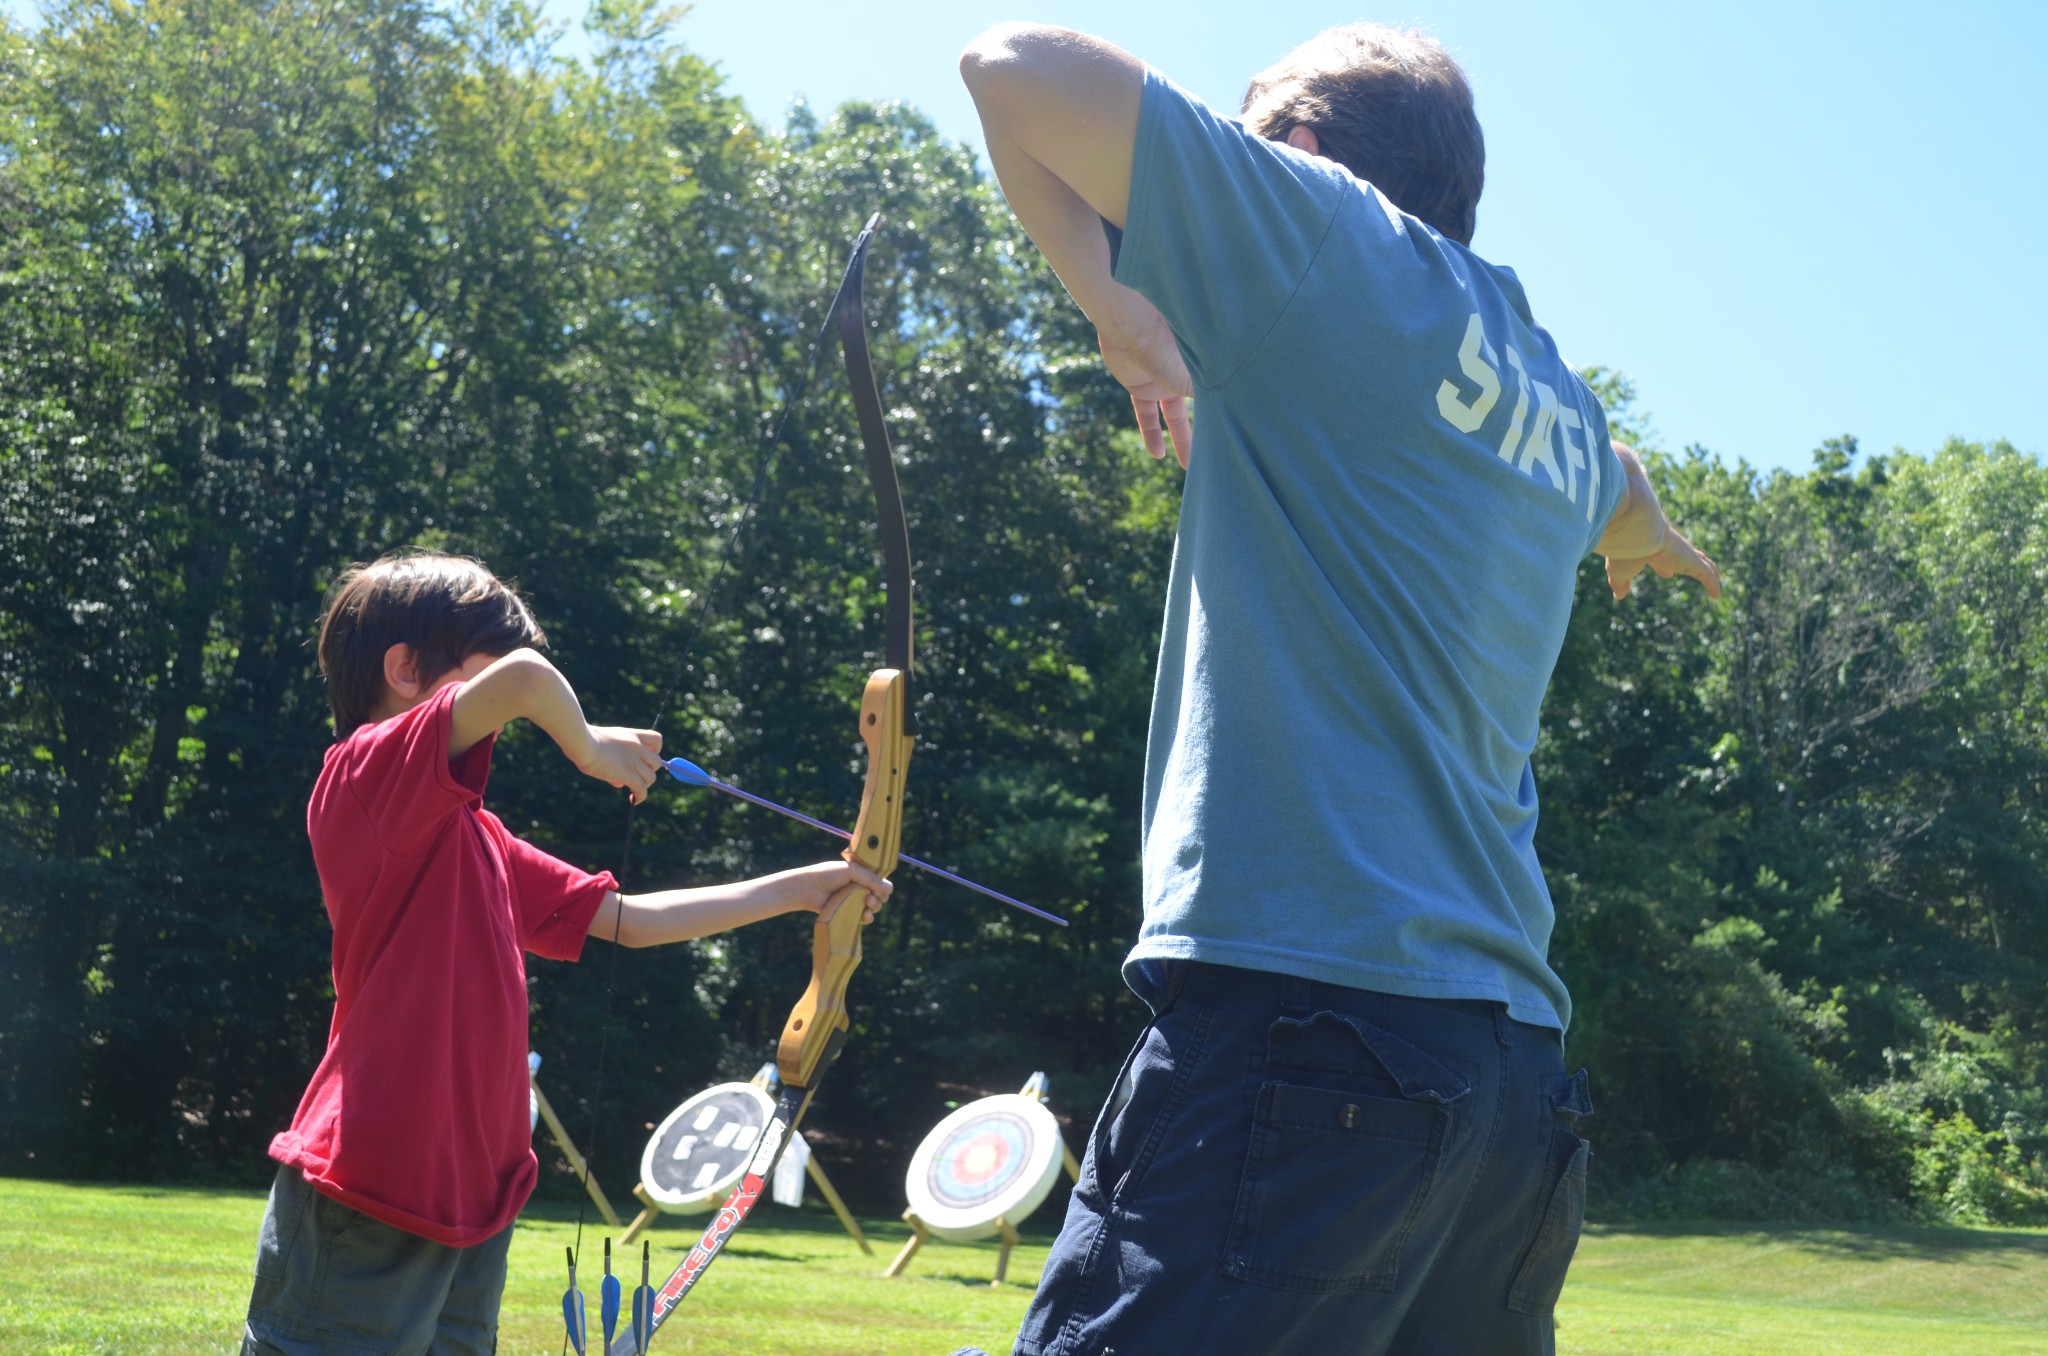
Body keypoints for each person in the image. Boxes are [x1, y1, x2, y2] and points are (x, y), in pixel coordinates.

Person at [959, 21, 1721, 1356]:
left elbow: (1008, 68)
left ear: (1303, 145)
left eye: (1253, 133)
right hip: (1511, 1096)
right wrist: (1652, 540)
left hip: (1310, 1040)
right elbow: (1625, 488)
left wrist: (1116, 309)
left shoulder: (1323, 232)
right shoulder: (1550, 392)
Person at [241, 550, 891, 1355]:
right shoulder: (363, 779)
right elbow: (522, 682)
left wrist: (801, 890)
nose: (498, 694)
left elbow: (626, 918)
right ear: (406, 669)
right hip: (368, 1181)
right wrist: (586, 747)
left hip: (471, 1200)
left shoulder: (474, 836)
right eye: (473, 665)